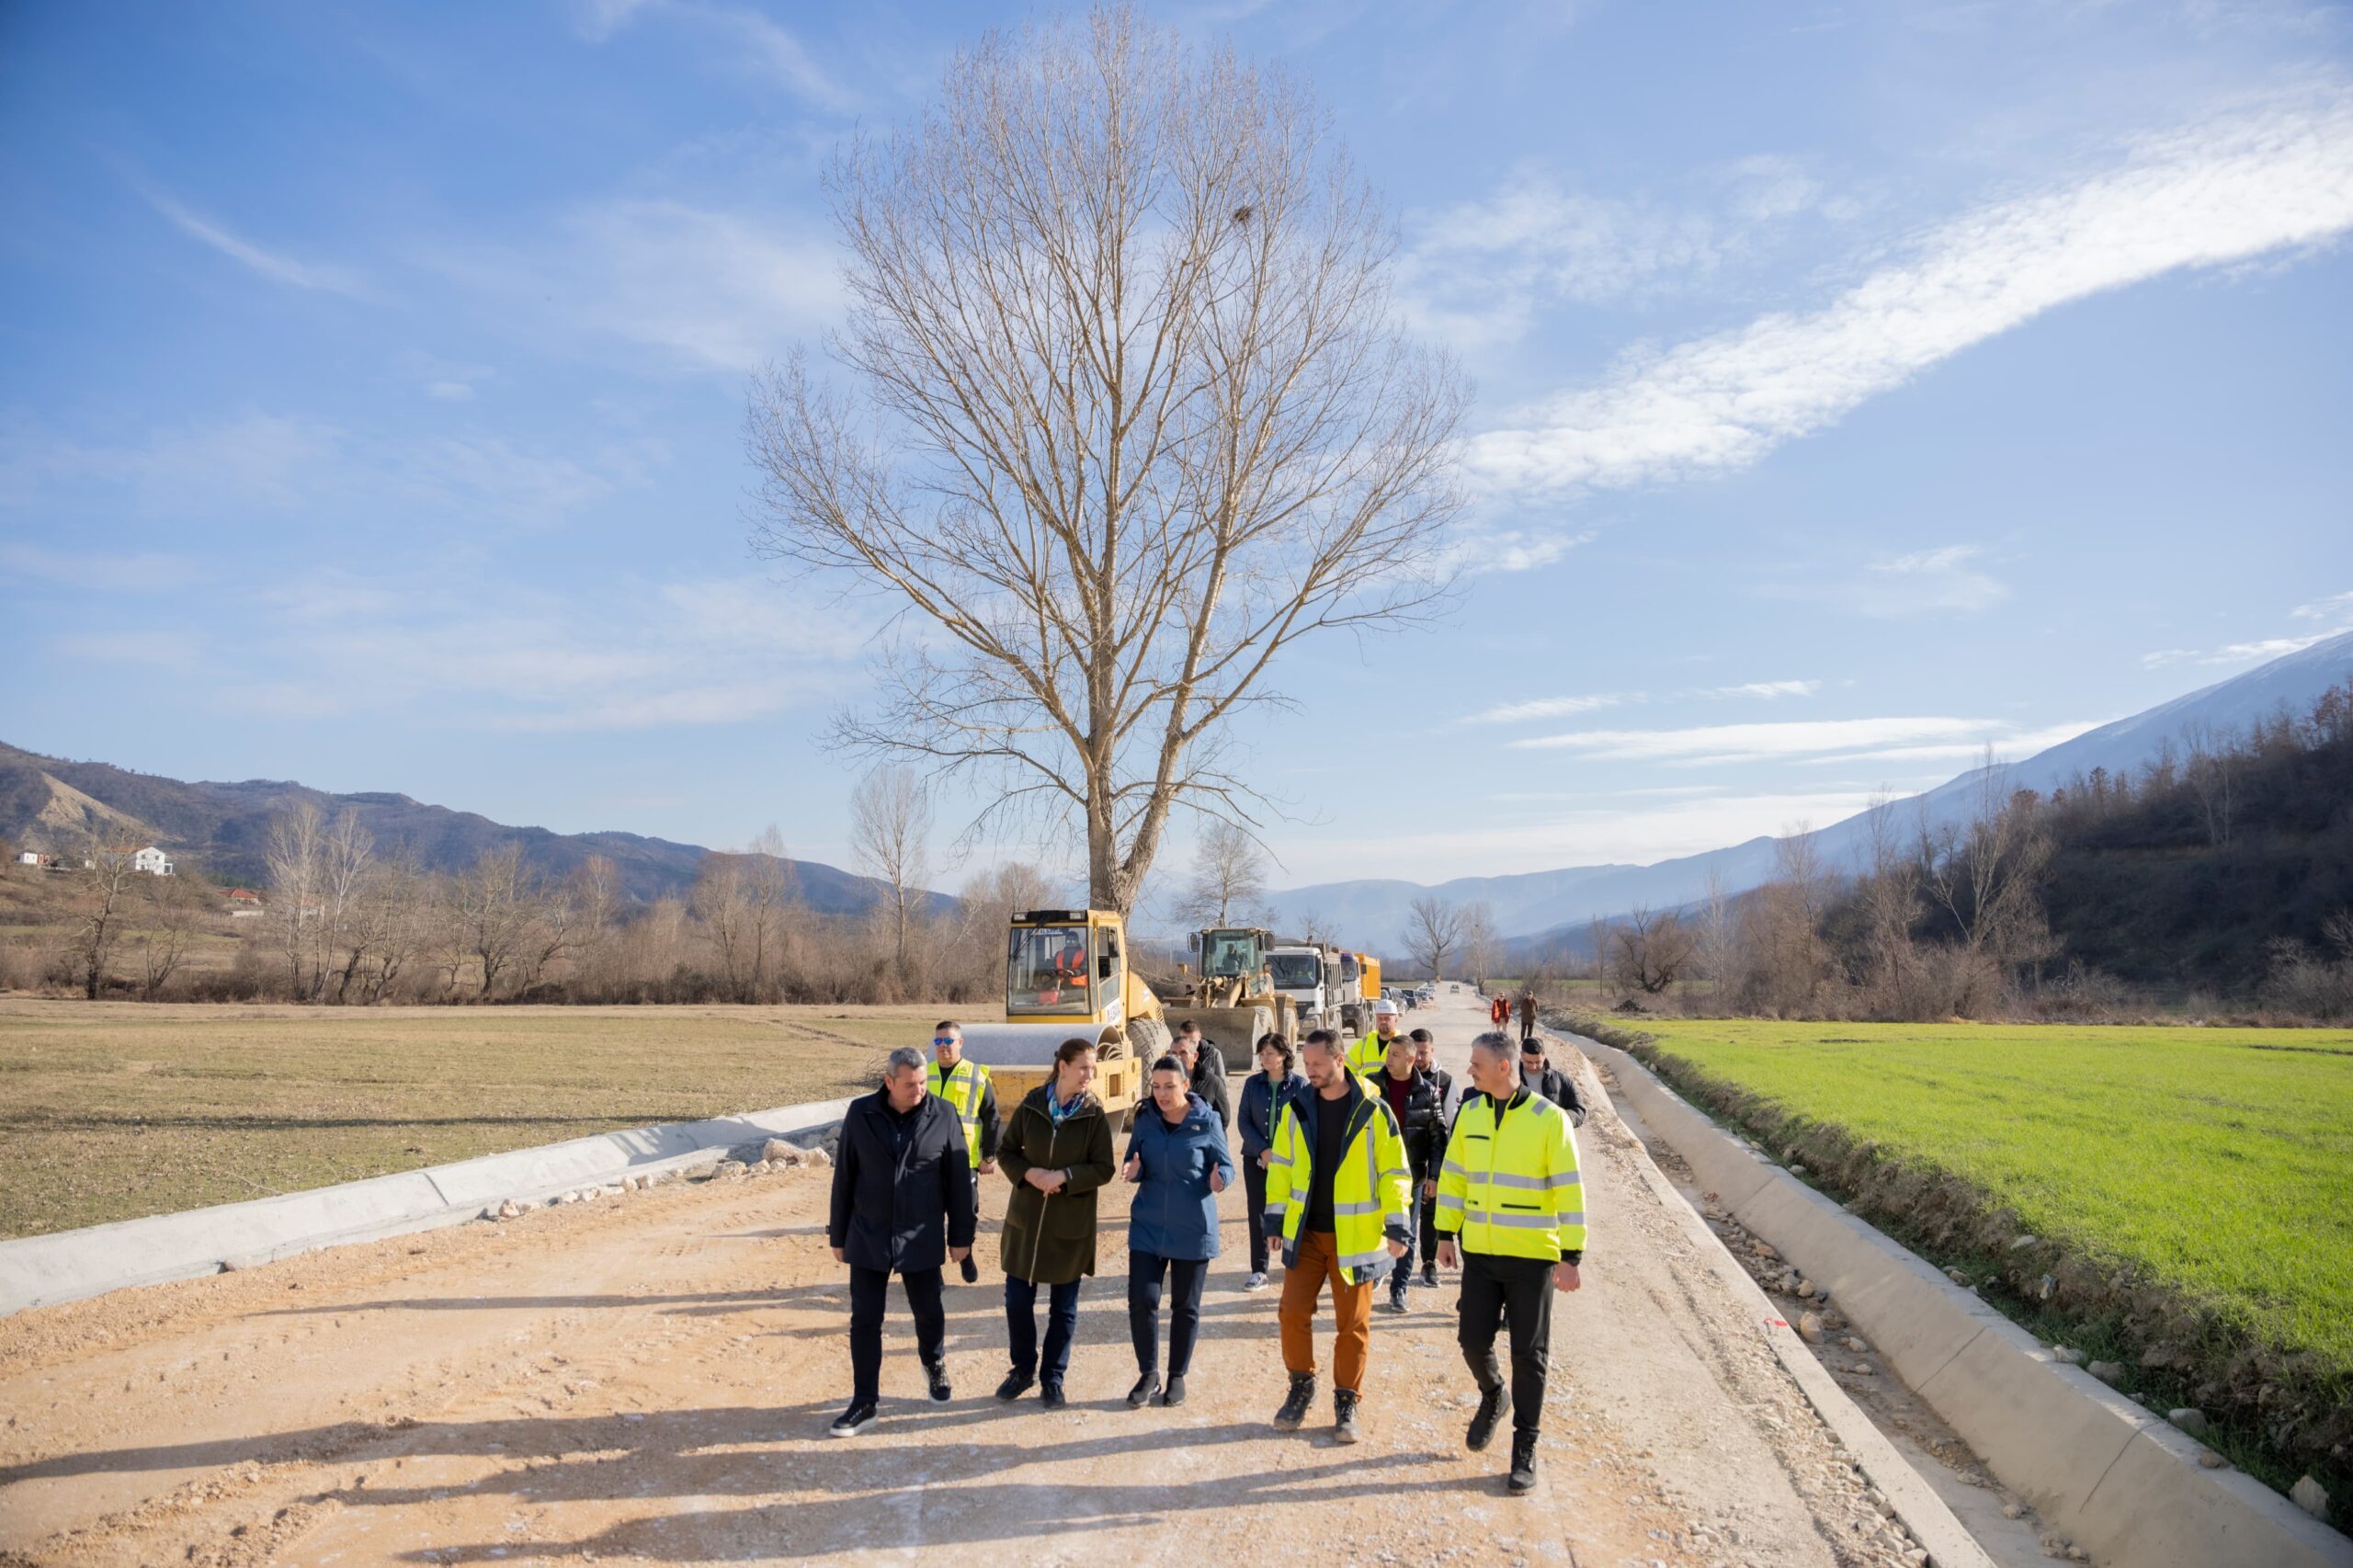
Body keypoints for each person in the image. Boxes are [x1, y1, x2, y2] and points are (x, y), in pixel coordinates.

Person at [1438, 1030, 1586, 1495]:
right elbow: (1454, 1175)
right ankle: (1493, 1394)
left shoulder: (1550, 1119)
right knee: (1471, 1340)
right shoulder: (1470, 1112)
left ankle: (1525, 1447)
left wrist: (1571, 1255)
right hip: (1481, 1254)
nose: (1469, 1070)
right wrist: (1444, 1232)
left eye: (1477, 1064)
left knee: (1529, 1355)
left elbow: (1570, 1190)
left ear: (1504, 1067)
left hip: (1532, 1257)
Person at [1263, 1028, 1413, 1445]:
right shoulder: (1297, 1109)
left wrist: (1398, 1223)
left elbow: (1394, 1171)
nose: (1309, 1071)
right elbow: (1282, 1167)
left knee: (1353, 1325)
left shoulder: (1373, 1110)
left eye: (1317, 1064)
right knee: (1292, 1313)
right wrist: (1275, 1221)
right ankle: (1301, 1385)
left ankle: (1347, 1400)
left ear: (1339, 1059)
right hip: (1307, 1235)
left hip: (1354, 1238)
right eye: (1306, 1064)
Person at [826, 1046, 977, 1437]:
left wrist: (961, 1236)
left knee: (928, 1312)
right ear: (889, 1082)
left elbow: (958, 1180)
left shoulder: (942, 1114)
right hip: (869, 1233)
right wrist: (838, 1233)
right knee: (865, 1320)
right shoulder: (861, 1114)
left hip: (920, 1233)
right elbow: (844, 1176)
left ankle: (933, 1361)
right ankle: (865, 1402)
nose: (919, 1091)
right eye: (910, 1084)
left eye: (923, 1082)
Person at [995, 1037, 1117, 1409]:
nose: (1089, 1075)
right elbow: (1006, 1152)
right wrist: (1030, 1173)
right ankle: (1022, 1370)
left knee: (1063, 1310)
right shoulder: (1032, 1105)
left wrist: (1064, 1176)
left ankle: (1053, 1377)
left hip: (1069, 1226)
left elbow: (1104, 1168)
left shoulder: (1093, 1115)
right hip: (1026, 1224)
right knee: (1017, 1302)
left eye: (1093, 1068)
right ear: (1062, 1067)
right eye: (1083, 1067)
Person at [1121, 1056, 1237, 1408]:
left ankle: (1176, 1377)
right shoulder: (1145, 1119)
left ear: (1186, 1086)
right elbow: (1134, 1159)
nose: (1161, 1094)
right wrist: (1133, 1170)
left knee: (1185, 1306)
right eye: (1156, 1086)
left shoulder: (1207, 1120)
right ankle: (1148, 1374)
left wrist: (1220, 1180)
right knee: (1142, 1300)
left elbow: (1227, 1166)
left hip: (1192, 1228)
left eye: (1169, 1086)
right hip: (1148, 1225)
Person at [1373, 1032, 1450, 1314]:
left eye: (1395, 1055)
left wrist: (1434, 1176)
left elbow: (1438, 1137)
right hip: (1375, 1174)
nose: (1388, 1060)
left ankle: (1399, 1288)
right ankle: (1374, 1271)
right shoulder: (1371, 1086)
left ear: (1410, 1059)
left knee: (1406, 1232)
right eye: (1387, 1054)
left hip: (1412, 1177)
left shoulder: (1427, 1092)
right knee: (1374, 1228)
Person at [927, 1020, 1000, 1284]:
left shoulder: (976, 1075)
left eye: (949, 1041)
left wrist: (988, 1155)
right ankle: (932, 1268)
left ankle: (965, 1254)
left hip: (964, 1159)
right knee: (929, 1216)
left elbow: (991, 1117)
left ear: (960, 1043)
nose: (943, 1046)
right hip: (929, 1161)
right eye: (938, 1041)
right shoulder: (924, 1073)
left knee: (966, 1213)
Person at [1237, 1032, 1309, 1290]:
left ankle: (1295, 1264)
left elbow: (1304, 1125)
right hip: (1256, 1160)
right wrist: (1263, 1151)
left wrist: (1279, 1156)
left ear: (1283, 1055)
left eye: (1269, 1053)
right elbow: (1244, 1121)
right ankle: (1259, 1270)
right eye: (1262, 1054)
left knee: (1294, 1211)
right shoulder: (1252, 1084)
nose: (1264, 1058)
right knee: (1257, 1214)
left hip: (1290, 1163)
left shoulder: (1300, 1086)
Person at [1410, 1028, 1454, 1288]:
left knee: (1429, 1215)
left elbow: (1449, 1125)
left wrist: (1437, 1170)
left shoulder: (1445, 1082)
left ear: (1432, 1051)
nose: (1418, 1058)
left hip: (1432, 1162)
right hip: (1403, 1160)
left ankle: (1428, 1264)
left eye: (1423, 1052)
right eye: (1414, 1052)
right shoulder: (1395, 1078)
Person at [1168, 1018, 1232, 1130]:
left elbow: (1223, 1116)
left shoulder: (1214, 1056)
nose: (1178, 1057)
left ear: (1199, 1037)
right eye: (1184, 1038)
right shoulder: (1166, 1077)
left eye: (1192, 1041)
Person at [1517, 1038, 1588, 1128]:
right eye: (1529, 1062)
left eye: (1538, 1062)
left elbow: (1579, 1111)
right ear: (1521, 1056)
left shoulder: (1562, 1080)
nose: (1534, 1067)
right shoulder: (1508, 1079)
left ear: (1544, 1056)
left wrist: (1559, 1118)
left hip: (1550, 1135)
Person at [1346, 997, 1405, 1078]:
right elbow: (1348, 1068)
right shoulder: (1365, 1043)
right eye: (1380, 1018)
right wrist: (1358, 1084)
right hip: (1368, 1086)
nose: (1383, 1021)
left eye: (1387, 1018)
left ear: (1396, 1020)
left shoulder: (1403, 1045)